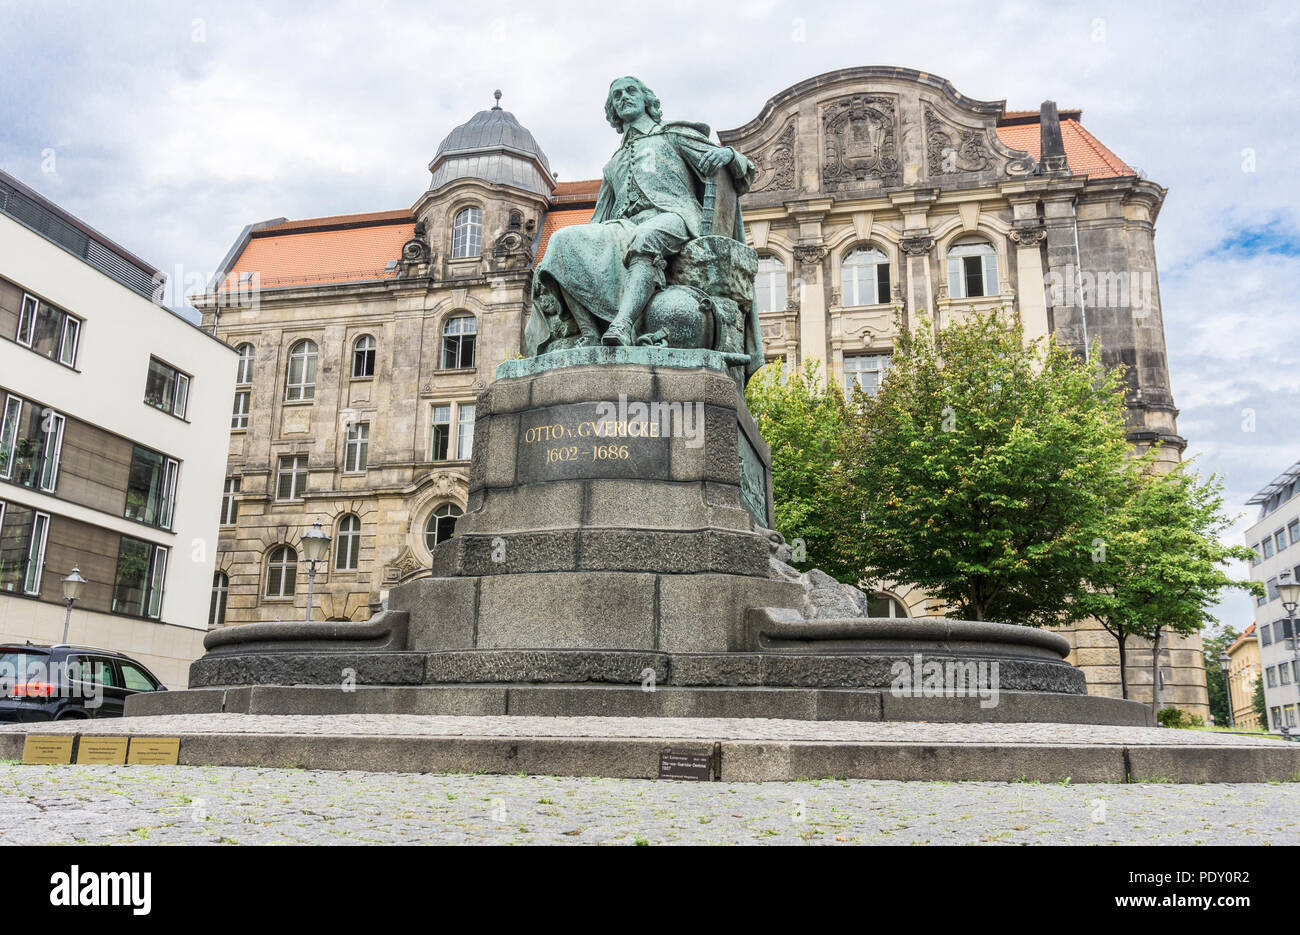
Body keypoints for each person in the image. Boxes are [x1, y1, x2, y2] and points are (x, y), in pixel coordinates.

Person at [527, 76, 755, 353]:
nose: (623, 97)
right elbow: (599, 218)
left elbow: (742, 168)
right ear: (613, 111)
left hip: (673, 215)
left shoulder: (672, 134)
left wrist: (730, 156)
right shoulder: (614, 162)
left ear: (646, 100)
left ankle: (622, 325)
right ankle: (589, 333)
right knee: (563, 241)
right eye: (616, 96)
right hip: (623, 224)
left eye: (630, 91)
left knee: (645, 237)